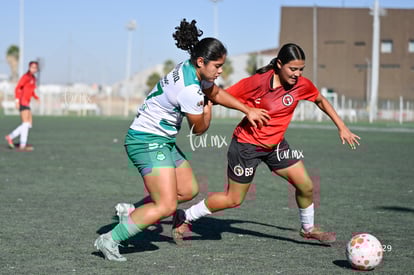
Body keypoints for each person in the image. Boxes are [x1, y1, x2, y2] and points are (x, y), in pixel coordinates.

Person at [93, 19, 270, 262]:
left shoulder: (190, 68)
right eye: (217, 66)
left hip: (161, 139)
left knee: (188, 190)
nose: (220, 71)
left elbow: (215, 92)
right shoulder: (190, 89)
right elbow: (198, 129)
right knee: (165, 206)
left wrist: (246, 110)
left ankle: (131, 211)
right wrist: (208, 110)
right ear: (201, 62)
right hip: (146, 141)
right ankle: (110, 239)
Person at [172, 43, 361, 245]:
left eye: (301, 70)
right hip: (246, 146)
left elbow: (320, 99)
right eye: (293, 69)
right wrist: (204, 109)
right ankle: (185, 216)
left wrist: (342, 126)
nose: (297, 74)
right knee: (233, 199)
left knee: (305, 186)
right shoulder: (257, 82)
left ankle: (308, 229)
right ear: (279, 64)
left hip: (276, 146)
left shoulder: (302, 85)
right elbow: (218, 96)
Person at [5, 61, 40, 151]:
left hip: (27, 102)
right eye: (32, 67)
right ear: (29, 67)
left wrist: (36, 97)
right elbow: (18, 87)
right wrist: (17, 100)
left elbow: (31, 91)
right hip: (22, 101)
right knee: (25, 123)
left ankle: (11, 137)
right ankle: (22, 145)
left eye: (35, 67)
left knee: (29, 124)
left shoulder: (33, 78)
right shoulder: (26, 77)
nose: (34, 69)